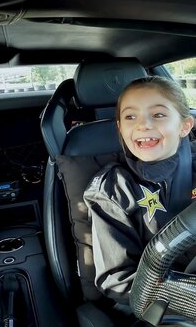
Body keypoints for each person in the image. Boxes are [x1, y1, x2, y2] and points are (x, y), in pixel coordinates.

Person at [83, 76, 196, 308]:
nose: (143, 125)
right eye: (130, 117)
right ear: (120, 128)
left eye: (158, 114)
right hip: (162, 308)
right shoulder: (112, 189)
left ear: (184, 126)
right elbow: (116, 279)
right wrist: (187, 298)